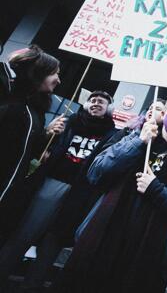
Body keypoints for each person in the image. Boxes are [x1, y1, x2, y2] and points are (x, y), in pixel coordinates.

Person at [53, 90, 167, 293]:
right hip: (105, 238)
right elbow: (96, 172)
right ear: (164, 113)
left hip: (150, 254)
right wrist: (138, 142)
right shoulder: (135, 138)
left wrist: (157, 190)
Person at [0, 90, 116, 285]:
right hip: (51, 183)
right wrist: (48, 134)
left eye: (101, 102)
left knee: (53, 242)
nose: (96, 103)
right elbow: (39, 148)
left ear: (109, 108)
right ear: (86, 104)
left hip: (80, 193)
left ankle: (32, 285)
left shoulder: (112, 134)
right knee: (26, 231)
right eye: (92, 100)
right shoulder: (68, 122)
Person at [0, 45, 60, 246]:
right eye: (54, 73)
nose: (58, 80)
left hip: (8, 191)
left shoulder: (36, 112)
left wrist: (45, 137)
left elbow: (25, 149)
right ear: (39, 72)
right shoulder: (8, 100)